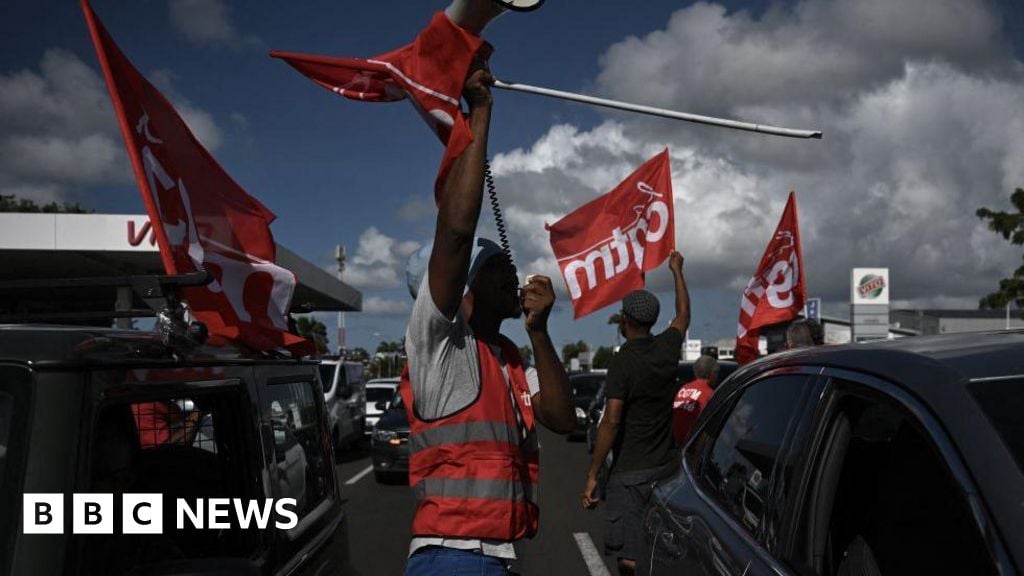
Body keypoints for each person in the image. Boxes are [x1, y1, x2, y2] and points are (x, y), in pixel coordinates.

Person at [400, 62, 575, 576]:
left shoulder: (506, 355)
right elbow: (454, 235)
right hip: (452, 558)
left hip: (491, 558)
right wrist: (479, 113)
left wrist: (538, 332)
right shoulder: (440, 344)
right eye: (497, 269)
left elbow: (562, 420)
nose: (513, 277)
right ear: (463, 290)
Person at [581, 252, 690, 576]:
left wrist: (593, 474)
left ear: (624, 320)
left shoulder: (623, 361)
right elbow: (683, 315)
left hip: (629, 475)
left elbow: (612, 421)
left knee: (629, 556)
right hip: (666, 469)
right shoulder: (668, 348)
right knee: (659, 548)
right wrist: (676, 272)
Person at [671, 354, 719, 446]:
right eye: (717, 373)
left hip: (677, 446)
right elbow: (712, 426)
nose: (717, 377)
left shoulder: (683, 389)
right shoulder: (708, 393)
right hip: (694, 448)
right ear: (711, 374)